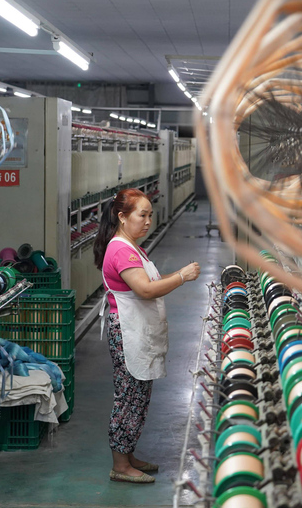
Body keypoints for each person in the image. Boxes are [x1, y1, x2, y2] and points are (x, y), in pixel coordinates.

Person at [94, 188, 201, 483]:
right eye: (142, 215)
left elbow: (150, 281)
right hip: (128, 332)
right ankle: (120, 464)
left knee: (138, 396)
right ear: (122, 216)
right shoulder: (120, 250)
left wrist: (178, 273)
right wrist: (181, 277)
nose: (148, 221)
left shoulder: (132, 247)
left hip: (137, 330)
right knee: (127, 397)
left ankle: (128, 455)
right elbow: (144, 289)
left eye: (150, 215)